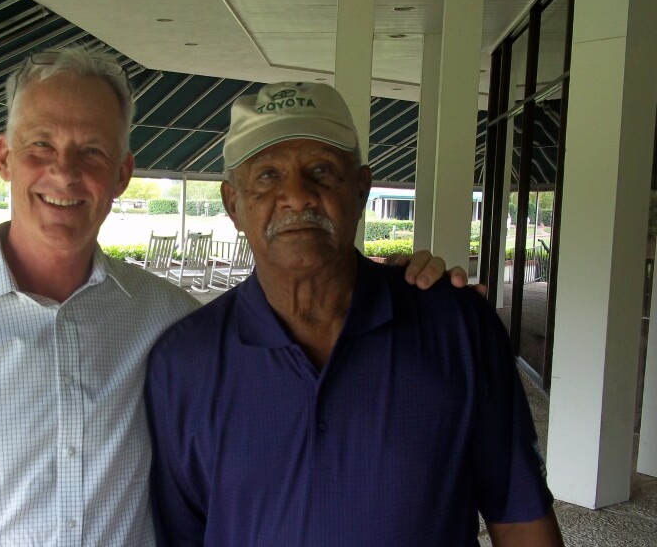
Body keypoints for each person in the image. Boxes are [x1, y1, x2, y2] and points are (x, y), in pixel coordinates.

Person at [0, 50, 463, 546]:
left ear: (124, 173)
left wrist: (405, 286)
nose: (64, 172)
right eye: (41, 145)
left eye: (92, 151)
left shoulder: (169, 320)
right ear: (5, 158)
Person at [145, 82, 564, 546]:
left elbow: (521, 519)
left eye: (321, 170)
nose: (296, 196)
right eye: (266, 176)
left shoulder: (458, 326)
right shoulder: (182, 361)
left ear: (361, 189)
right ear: (232, 204)